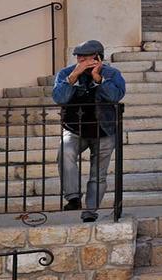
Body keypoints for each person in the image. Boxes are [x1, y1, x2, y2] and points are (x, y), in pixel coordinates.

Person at [52, 39, 126, 222]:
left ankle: (90, 211)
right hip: (74, 128)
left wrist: (98, 79)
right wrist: (73, 77)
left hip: (104, 130)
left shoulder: (112, 74)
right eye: (79, 56)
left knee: (98, 174)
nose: (80, 59)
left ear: (97, 57)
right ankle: (73, 197)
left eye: (85, 56)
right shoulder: (66, 73)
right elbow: (59, 98)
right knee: (65, 152)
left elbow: (116, 96)